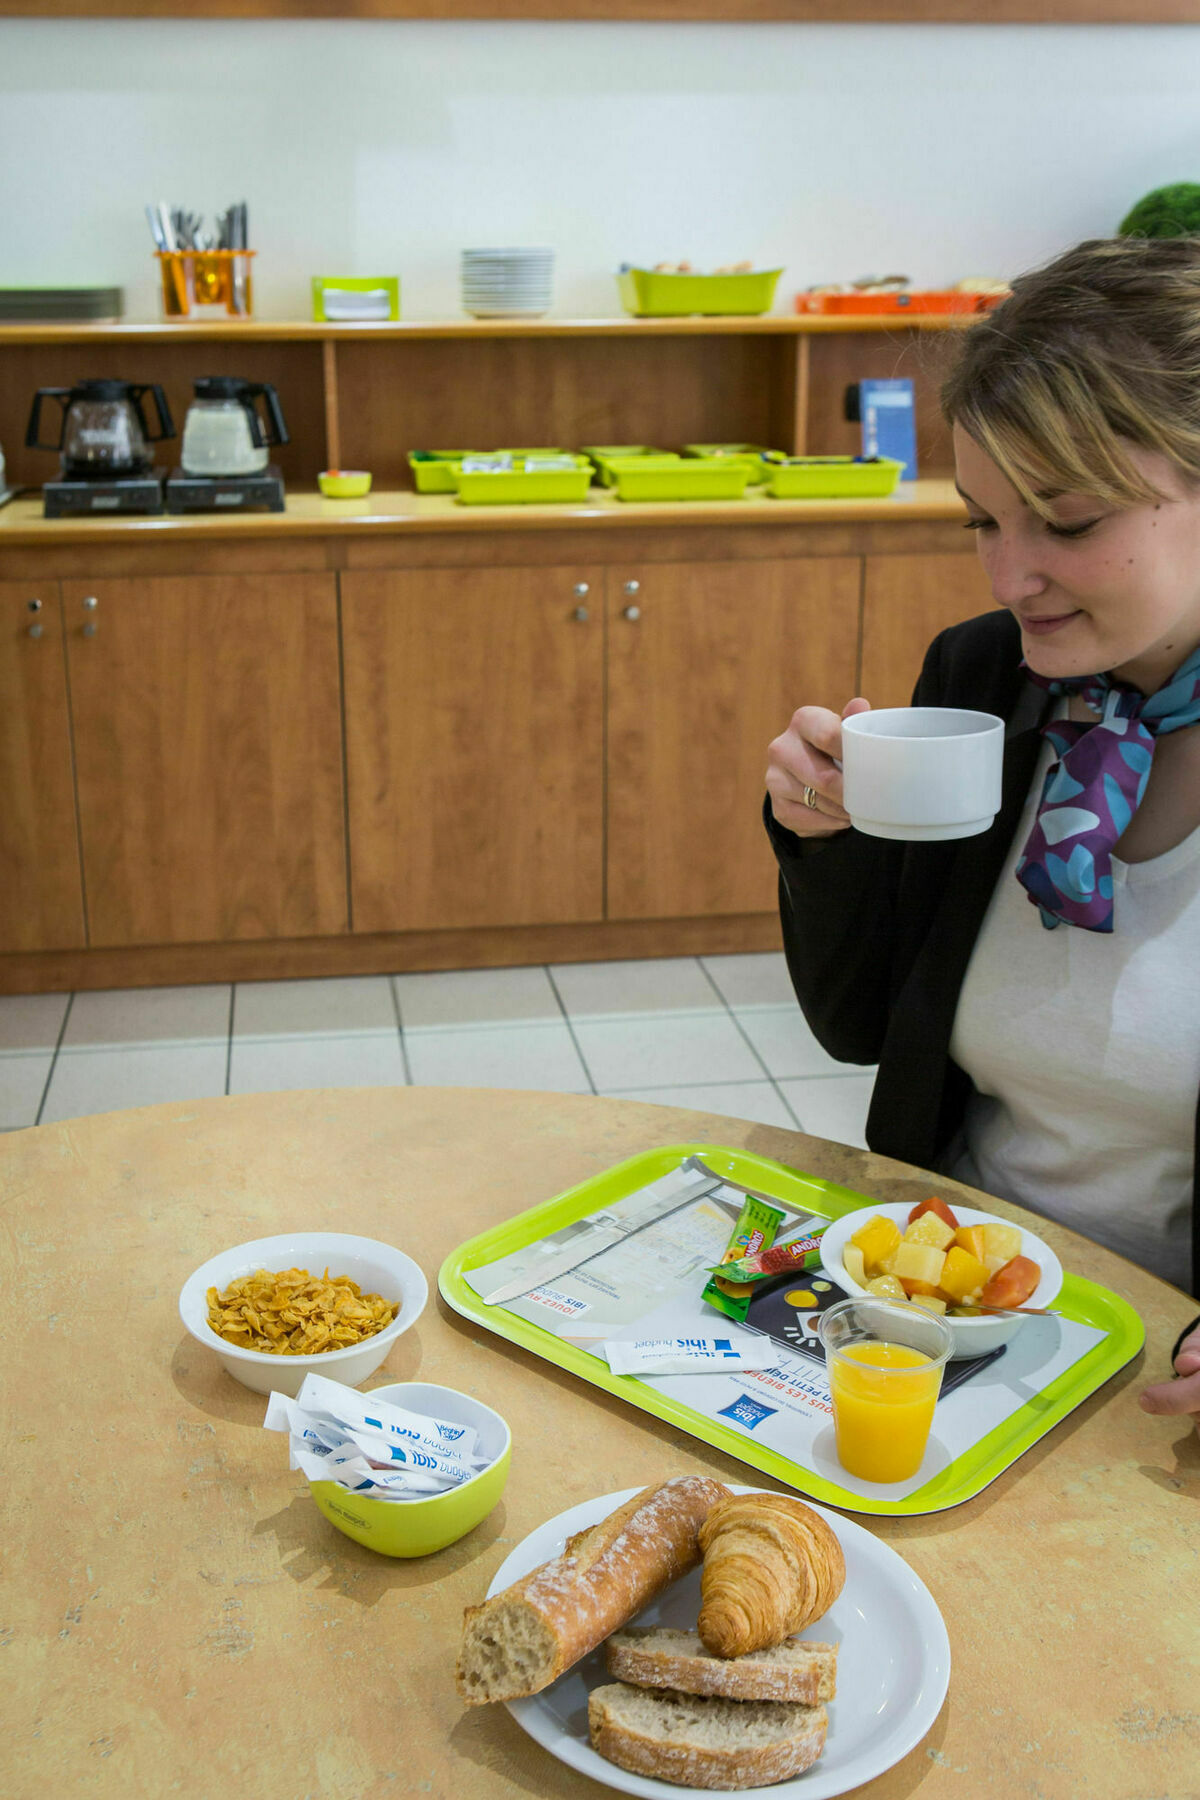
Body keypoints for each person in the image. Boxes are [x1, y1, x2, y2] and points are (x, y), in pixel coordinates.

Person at [764, 235, 1200, 1433]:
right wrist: (825, 836)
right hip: (948, 1309)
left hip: (1162, 1376)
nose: (1013, 576)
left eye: (1066, 520)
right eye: (981, 520)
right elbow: (861, 1029)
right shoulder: (988, 679)